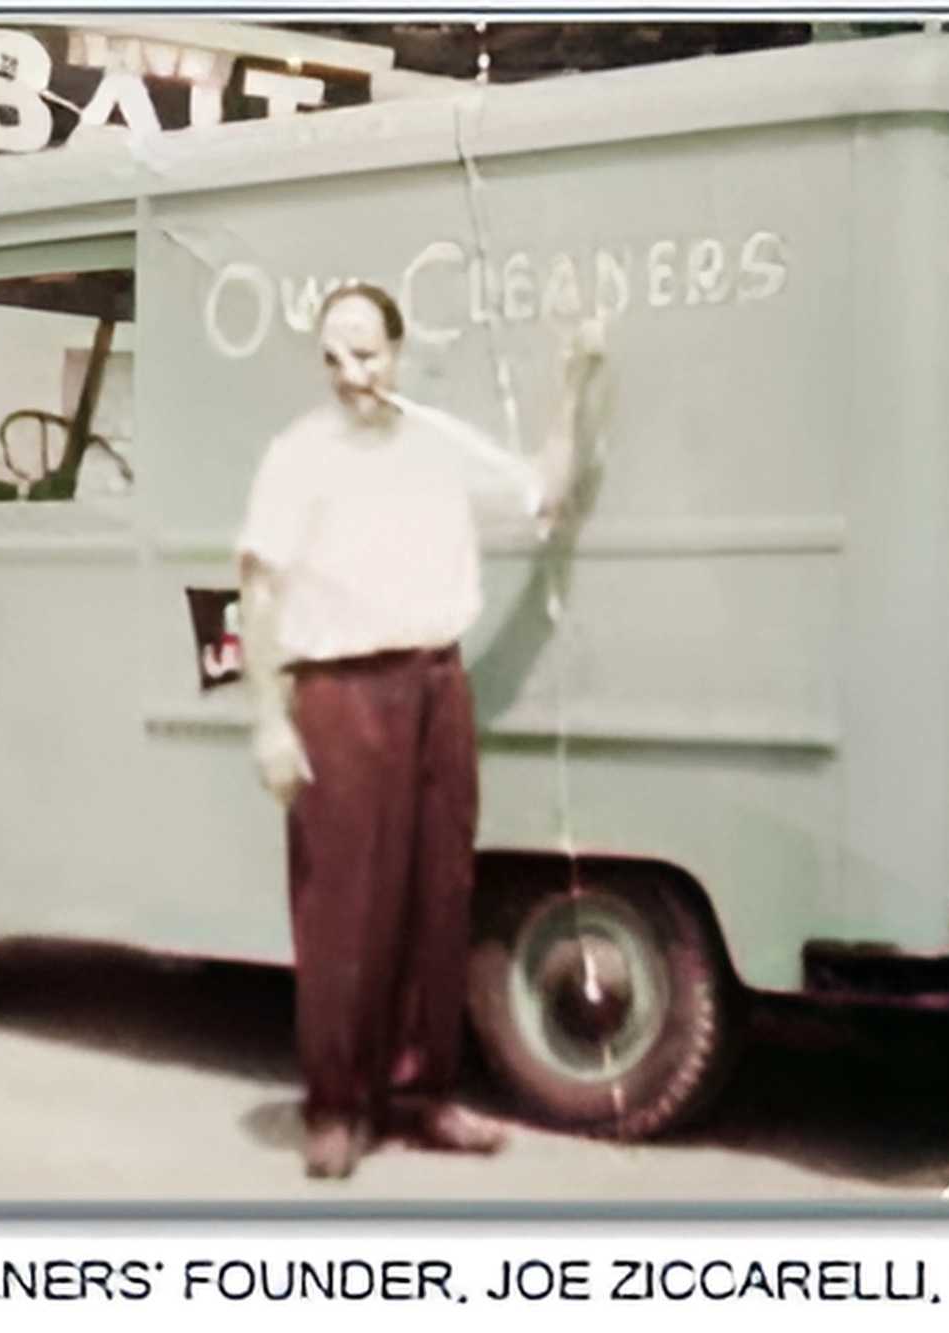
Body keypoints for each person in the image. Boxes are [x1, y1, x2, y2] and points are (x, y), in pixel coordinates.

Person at [236, 282, 605, 1180]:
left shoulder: (438, 444)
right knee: (342, 912)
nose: (350, 374)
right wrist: (268, 720)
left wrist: (578, 377)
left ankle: (422, 1096)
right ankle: (337, 1106)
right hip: (338, 694)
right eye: (333, 357)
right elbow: (258, 592)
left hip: (437, 686)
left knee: (438, 897)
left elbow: (541, 488)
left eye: (366, 354)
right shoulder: (298, 455)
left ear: (399, 351)